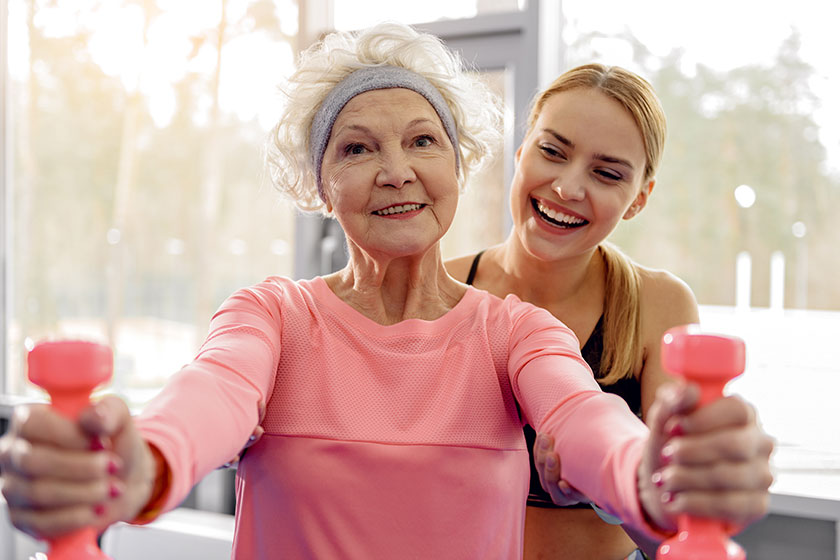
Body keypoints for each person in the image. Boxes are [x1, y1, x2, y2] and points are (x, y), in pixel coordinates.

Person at [0, 24, 772, 559]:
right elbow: (208, 398)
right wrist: (132, 463)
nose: (396, 169)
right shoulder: (271, 315)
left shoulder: (518, 332)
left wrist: (655, 474)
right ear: (320, 184)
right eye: (358, 147)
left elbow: (587, 419)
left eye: (422, 140)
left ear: (460, 166)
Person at [445, 63, 773, 559]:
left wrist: (607, 491)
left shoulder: (657, 303)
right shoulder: (444, 288)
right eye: (552, 151)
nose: (568, 188)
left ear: (638, 198)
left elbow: (670, 525)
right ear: (520, 153)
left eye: (606, 173)